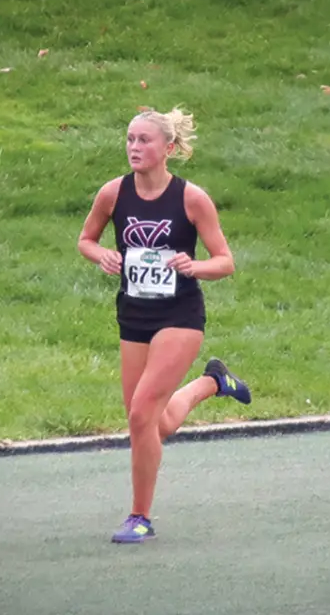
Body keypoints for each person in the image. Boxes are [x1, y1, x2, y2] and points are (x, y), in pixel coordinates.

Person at [77, 107, 252, 543]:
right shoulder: (112, 194)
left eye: (144, 141)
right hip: (133, 314)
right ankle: (212, 383)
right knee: (149, 424)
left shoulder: (191, 198)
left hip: (180, 316)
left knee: (140, 415)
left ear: (168, 149)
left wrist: (193, 266)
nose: (135, 148)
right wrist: (104, 256)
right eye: (130, 139)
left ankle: (140, 517)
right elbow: (86, 240)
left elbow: (225, 261)